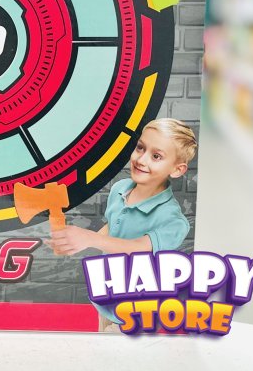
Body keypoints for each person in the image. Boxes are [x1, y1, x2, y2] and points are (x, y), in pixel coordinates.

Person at [50, 118, 196, 329]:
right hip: (106, 301)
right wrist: (74, 241)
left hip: (137, 315)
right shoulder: (121, 189)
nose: (141, 159)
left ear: (177, 170)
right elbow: (113, 228)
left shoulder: (173, 221)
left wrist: (89, 238)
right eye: (140, 148)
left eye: (156, 156)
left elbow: (138, 248)